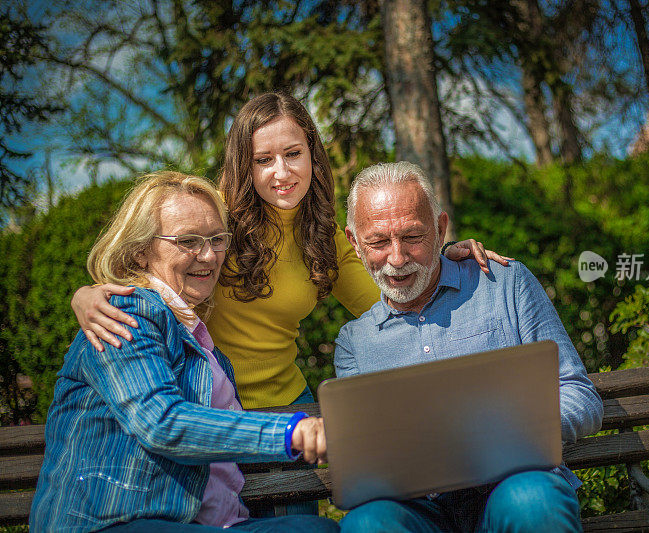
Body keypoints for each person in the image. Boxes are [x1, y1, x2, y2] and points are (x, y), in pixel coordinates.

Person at [71, 92, 510, 413]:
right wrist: (87, 295)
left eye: (293, 154)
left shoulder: (326, 235)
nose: (282, 172)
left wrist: (436, 257)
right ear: (245, 164)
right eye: (264, 160)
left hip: (288, 406)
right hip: (207, 404)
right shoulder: (216, 222)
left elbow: (394, 301)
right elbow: (147, 269)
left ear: (312, 156)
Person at [30, 172, 338, 533]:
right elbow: (161, 422)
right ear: (141, 251)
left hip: (213, 523)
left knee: (315, 530)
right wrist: (290, 432)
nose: (208, 255)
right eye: (188, 240)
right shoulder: (125, 313)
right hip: (118, 522)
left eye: (217, 239)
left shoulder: (203, 343)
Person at [334, 162, 604, 533]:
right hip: (415, 512)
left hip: (511, 485)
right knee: (367, 525)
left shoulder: (505, 284)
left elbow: (578, 393)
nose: (397, 258)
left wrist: (518, 428)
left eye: (413, 237)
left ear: (441, 229)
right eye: (378, 242)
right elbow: (362, 459)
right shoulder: (355, 344)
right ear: (353, 242)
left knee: (532, 501)